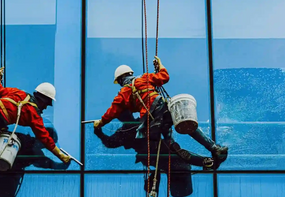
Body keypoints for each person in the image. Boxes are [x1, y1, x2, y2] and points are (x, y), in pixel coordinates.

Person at [92, 57, 228, 170]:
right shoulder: (144, 78)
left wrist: (100, 123)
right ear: (130, 74)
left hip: (154, 120)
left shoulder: (123, 94)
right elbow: (164, 76)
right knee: (187, 125)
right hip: (165, 109)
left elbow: (111, 112)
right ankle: (214, 148)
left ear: (121, 80)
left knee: (171, 148)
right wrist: (161, 65)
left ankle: (205, 162)